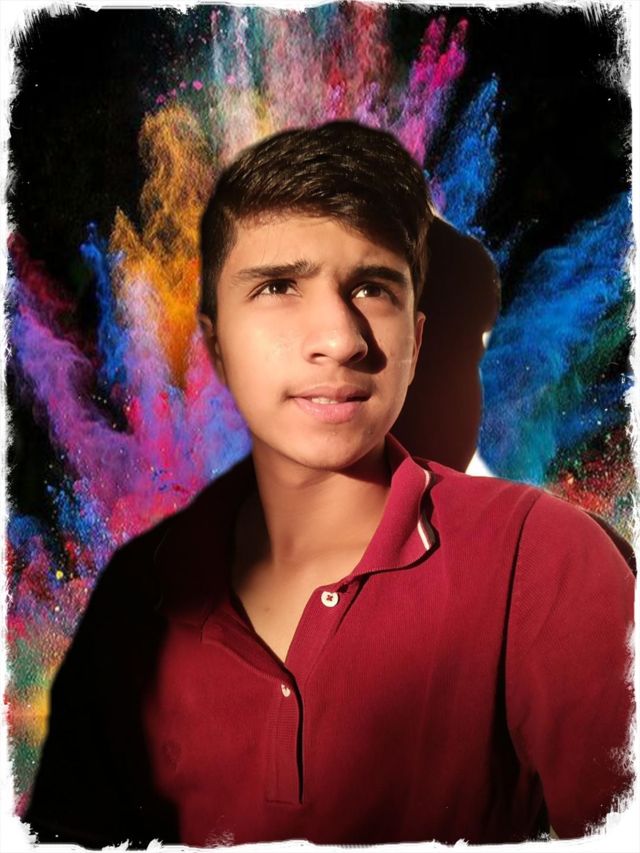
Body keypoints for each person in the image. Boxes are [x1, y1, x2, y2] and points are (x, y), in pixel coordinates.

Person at [25, 121, 634, 848]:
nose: (341, 339)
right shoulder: (137, 596)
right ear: (216, 343)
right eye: (279, 286)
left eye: (373, 288)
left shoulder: (542, 558)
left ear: (416, 338)